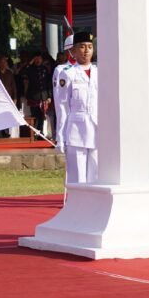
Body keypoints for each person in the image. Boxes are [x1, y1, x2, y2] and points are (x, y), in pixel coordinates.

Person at [53, 31, 98, 184]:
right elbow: (62, 107)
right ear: (73, 51)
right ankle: (77, 205)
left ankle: (96, 206)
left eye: (90, 47)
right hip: (76, 131)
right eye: (82, 47)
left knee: (97, 176)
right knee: (77, 177)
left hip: (98, 130)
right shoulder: (67, 73)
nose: (86, 51)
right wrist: (60, 137)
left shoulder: (100, 72)